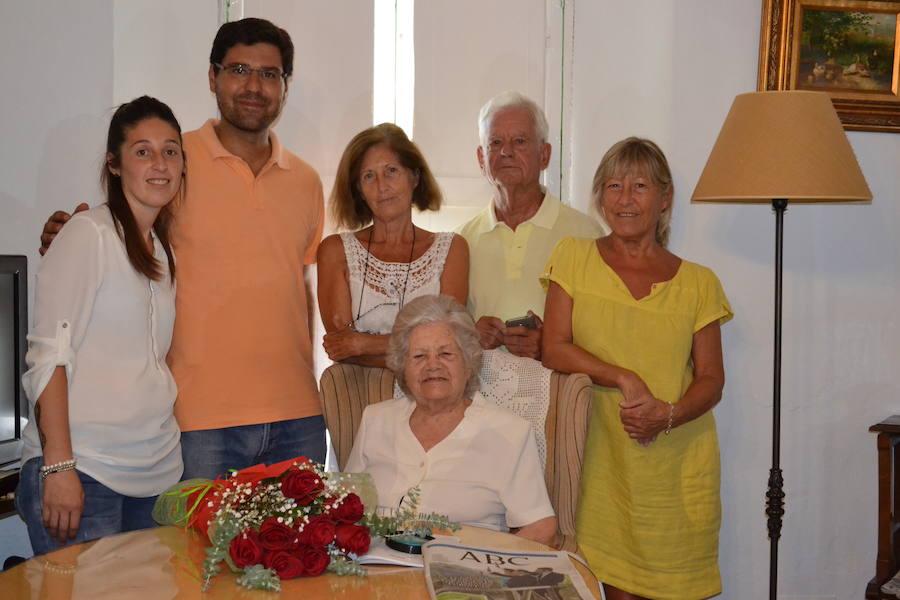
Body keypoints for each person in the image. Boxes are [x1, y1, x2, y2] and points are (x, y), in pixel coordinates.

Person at [38, 19, 326, 479]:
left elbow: (302, 288)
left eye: (269, 74)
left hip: (298, 416)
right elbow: (117, 233)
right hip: (199, 420)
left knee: (301, 551)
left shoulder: (307, 181)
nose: (254, 86)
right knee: (190, 553)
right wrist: (65, 231)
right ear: (212, 77)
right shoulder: (174, 160)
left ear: (284, 88)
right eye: (238, 70)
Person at [541, 137, 733, 600]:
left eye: (640, 186)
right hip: (601, 465)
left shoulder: (700, 283)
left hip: (677, 465)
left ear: (664, 199)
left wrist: (666, 415)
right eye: (613, 185)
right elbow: (554, 348)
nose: (625, 198)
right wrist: (624, 377)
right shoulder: (573, 256)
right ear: (600, 197)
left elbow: (712, 380)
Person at [17, 96, 184, 554]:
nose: (160, 164)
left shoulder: (162, 253)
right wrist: (59, 467)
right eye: (143, 151)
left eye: (171, 151)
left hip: (155, 476)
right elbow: (48, 358)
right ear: (114, 164)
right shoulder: (88, 234)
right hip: (85, 473)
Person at [345, 295, 557, 546]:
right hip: (379, 569)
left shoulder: (509, 432)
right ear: (402, 367)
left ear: (468, 363)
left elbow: (541, 528)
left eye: (446, 354)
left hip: (463, 575)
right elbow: (346, 507)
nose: (432, 365)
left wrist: (480, 569)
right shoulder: (376, 419)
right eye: (419, 356)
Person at [456, 91, 602, 360]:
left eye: (520, 142)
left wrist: (551, 344)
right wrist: (470, 334)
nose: (506, 152)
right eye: (495, 143)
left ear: (544, 155)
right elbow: (446, 330)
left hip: (558, 394)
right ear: (480, 159)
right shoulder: (461, 240)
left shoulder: (586, 234)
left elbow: (603, 331)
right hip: (478, 392)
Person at [317, 123, 468, 367]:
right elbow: (341, 349)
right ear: (359, 190)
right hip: (357, 395)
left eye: (391, 171)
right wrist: (420, 349)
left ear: (415, 177)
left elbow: (450, 339)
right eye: (368, 176)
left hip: (433, 395)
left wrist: (363, 343)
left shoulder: (452, 248)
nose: (382, 186)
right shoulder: (335, 250)